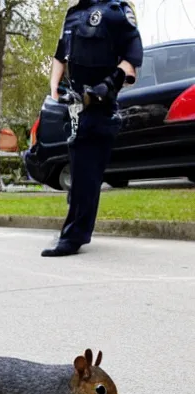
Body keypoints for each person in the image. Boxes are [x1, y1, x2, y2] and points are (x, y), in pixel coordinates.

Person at [41, 0, 143, 257]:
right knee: (79, 169)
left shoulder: (116, 11)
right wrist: (54, 88)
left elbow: (132, 56)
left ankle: (73, 237)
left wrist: (110, 85)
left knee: (86, 173)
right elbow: (61, 54)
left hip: (100, 106)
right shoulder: (73, 14)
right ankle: (75, 223)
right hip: (76, 105)